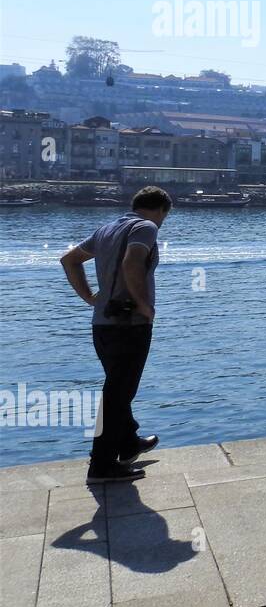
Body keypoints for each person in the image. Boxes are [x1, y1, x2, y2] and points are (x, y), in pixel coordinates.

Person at [60, 186, 172, 483]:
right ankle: (101, 466)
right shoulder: (146, 227)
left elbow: (69, 260)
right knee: (116, 395)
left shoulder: (107, 229)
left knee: (117, 390)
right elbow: (132, 263)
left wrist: (90, 299)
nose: (161, 223)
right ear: (161, 210)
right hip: (130, 325)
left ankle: (128, 443)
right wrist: (144, 305)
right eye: (164, 217)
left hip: (102, 324)